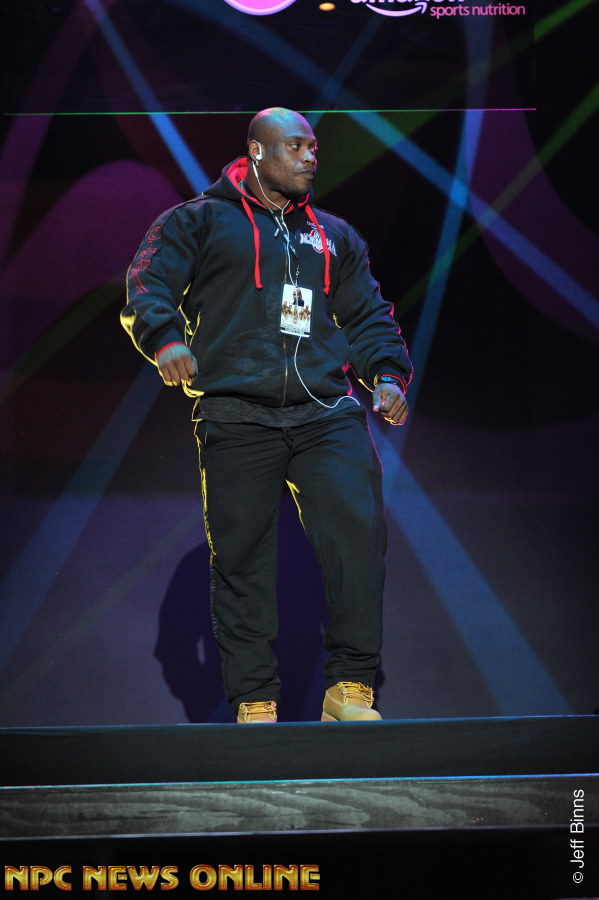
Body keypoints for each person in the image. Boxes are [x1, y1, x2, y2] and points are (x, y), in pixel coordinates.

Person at [121, 107, 413, 724]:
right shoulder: (198, 220)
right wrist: (165, 338)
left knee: (357, 539)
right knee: (242, 559)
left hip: (325, 411)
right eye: (296, 146)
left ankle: (350, 688)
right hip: (235, 412)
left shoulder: (333, 235)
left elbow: (367, 315)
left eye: (314, 148)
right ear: (257, 151)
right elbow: (147, 285)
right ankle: (255, 698)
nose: (310, 157)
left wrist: (387, 375)